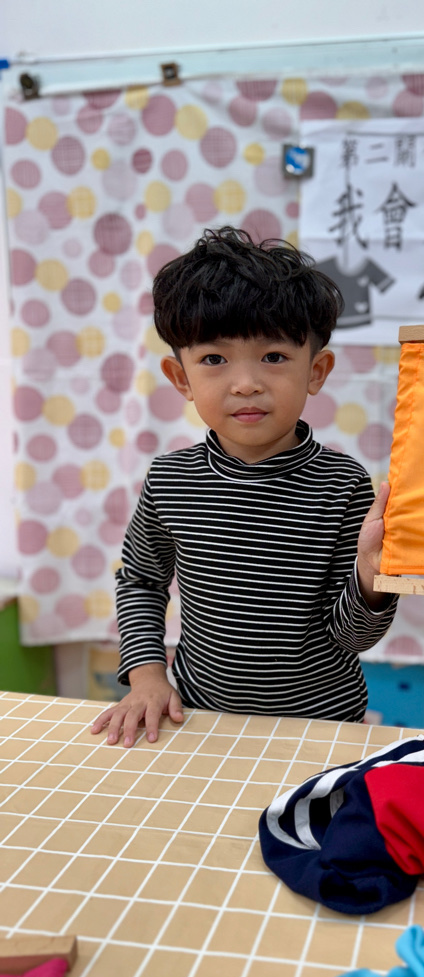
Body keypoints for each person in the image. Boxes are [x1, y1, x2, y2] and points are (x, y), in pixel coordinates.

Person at [91, 227, 398, 748]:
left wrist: (372, 578)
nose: (246, 383)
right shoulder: (169, 479)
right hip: (199, 719)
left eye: (273, 356)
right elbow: (141, 581)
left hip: (324, 726)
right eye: (214, 359)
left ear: (316, 371)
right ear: (181, 379)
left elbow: (352, 638)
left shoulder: (344, 485)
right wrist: (146, 678)